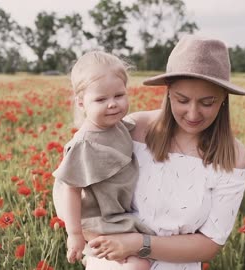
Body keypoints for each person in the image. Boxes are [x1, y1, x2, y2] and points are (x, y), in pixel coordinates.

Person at [83, 35, 245, 270]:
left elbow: (211, 243)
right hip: (116, 261)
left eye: (207, 103)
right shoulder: (134, 130)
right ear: (168, 92)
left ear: (224, 98)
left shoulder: (232, 155)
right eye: (183, 100)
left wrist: (139, 243)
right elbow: (83, 187)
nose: (193, 114)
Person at [51, 51, 154, 270]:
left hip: (118, 213)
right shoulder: (85, 144)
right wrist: (75, 234)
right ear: (81, 103)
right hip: (100, 219)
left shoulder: (119, 127)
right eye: (101, 99)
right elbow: (70, 190)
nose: (112, 104)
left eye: (119, 95)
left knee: (145, 257)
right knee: (139, 264)